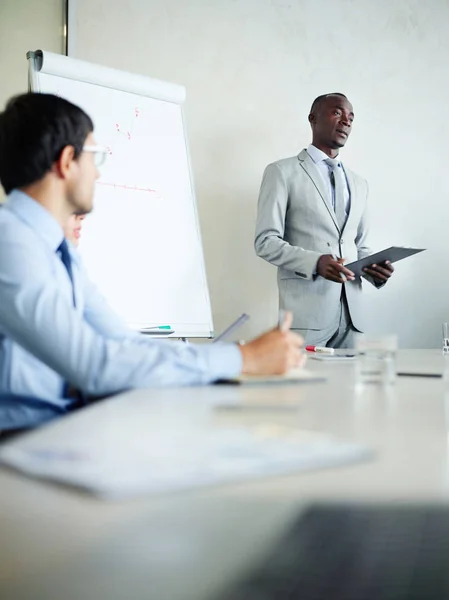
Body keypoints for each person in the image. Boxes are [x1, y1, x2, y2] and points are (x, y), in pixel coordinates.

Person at [0, 93, 303, 425]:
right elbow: (94, 365)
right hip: (19, 442)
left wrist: (238, 357)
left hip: (56, 431)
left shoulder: (57, 249)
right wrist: (244, 358)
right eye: (95, 157)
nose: (98, 175)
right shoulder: (10, 242)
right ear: (67, 161)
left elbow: (122, 342)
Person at [254, 93, 394, 349]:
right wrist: (315, 262)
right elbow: (265, 241)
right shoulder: (282, 172)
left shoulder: (359, 183)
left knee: (350, 389)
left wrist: (377, 271)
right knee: (302, 388)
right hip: (306, 318)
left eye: (351, 117)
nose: (346, 122)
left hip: (353, 320)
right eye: (338, 113)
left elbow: (359, 245)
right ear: (313, 118)